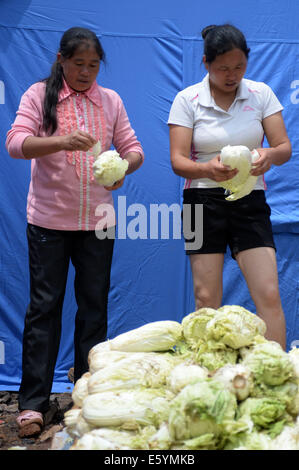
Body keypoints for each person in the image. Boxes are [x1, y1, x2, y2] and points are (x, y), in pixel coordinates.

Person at [6, 27, 144, 437]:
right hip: (48, 222)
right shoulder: (38, 96)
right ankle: (33, 403)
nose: (86, 72)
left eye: (93, 65)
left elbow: (134, 148)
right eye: (79, 64)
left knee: (94, 308)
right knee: (44, 309)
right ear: (61, 60)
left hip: (98, 224)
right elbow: (15, 143)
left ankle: (88, 396)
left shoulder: (111, 101)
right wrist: (61, 140)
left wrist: (124, 168)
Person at [168, 24, 291, 351]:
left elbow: (284, 148)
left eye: (239, 66)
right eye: (223, 68)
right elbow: (178, 162)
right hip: (198, 202)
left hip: (251, 200)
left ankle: (277, 373)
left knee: (268, 292)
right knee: (205, 297)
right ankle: (208, 378)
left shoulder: (261, 94)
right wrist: (206, 168)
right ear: (205, 63)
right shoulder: (187, 100)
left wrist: (268, 155)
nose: (232, 74)